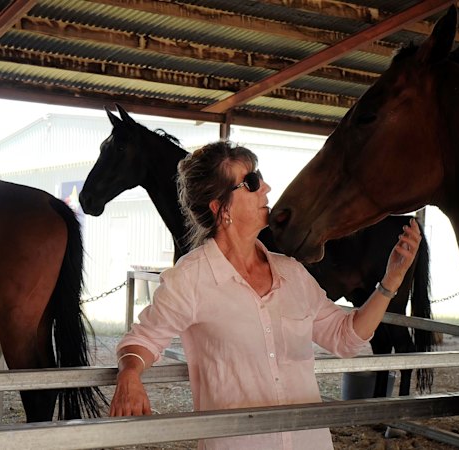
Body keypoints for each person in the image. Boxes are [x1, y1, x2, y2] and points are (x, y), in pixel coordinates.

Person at [109, 141, 422, 450]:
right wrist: (130, 374)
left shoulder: (293, 272)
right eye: (252, 182)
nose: (266, 187)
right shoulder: (190, 278)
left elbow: (346, 337)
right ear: (221, 208)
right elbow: (145, 339)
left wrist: (390, 281)